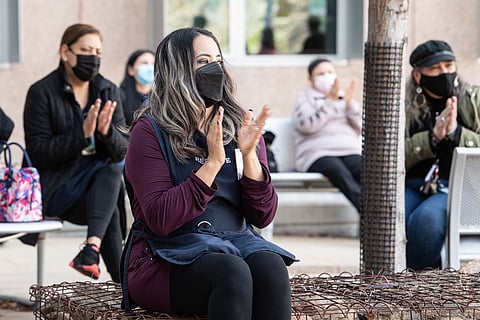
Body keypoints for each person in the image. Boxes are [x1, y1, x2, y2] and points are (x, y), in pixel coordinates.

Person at [121, 27, 296, 319]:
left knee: (271, 267)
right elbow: (161, 219)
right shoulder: (149, 131)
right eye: (203, 61)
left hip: (232, 242)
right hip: (165, 255)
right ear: (178, 69)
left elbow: (262, 216)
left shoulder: (238, 124)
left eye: (218, 59)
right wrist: (212, 163)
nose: (214, 68)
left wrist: (250, 156)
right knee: (230, 272)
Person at [23, 23, 129, 282]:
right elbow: (37, 153)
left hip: (96, 187)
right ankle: (123, 286)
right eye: (85, 50)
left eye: (97, 51)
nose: (92, 57)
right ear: (65, 52)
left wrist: (105, 134)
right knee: (110, 199)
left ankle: (93, 253)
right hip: (58, 186)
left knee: (110, 175)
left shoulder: (108, 90)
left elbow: (121, 152)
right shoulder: (41, 92)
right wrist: (80, 135)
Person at [405, 40, 480, 270]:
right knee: (390, 216)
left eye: (449, 66)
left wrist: (455, 132)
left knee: (425, 220)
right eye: (435, 69)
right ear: (418, 76)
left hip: (460, 188)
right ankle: (389, 280)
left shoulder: (472, 100)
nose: (444, 73)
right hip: (414, 184)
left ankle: (420, 288)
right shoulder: (404, 107)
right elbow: (392, 155)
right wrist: (431, 138)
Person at [292, 58, 362, 212]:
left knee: (366, 170)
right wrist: (329, 102)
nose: (327, 76)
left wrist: (350, 104)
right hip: (318, 153)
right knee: (337, 171)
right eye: (321, 73)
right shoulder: (304, 98)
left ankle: (372, 214)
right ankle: (370, 214)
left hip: (348, 150)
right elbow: (307, 126)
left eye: (330, 72)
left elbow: (360, 128)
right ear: (311, 79)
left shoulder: (344, 97)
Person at [119, 49, 155, 126]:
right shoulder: (120, 96)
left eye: (153, 64)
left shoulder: (161, 97)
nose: (149, 68)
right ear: (131, 69)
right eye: (144, 63)